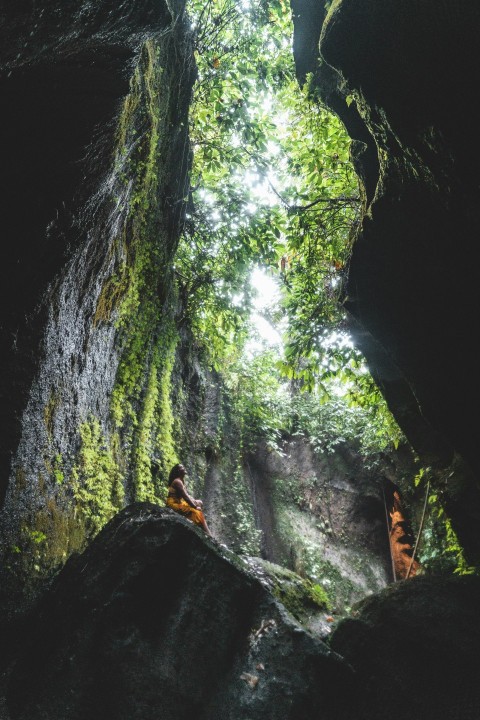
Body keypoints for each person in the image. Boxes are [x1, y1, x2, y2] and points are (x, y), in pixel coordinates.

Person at [165, 463, 213, 537]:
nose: (184, 468)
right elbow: (185, 497)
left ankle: (204, 531)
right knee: (197, 512)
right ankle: (208, 535)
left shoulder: (181, 481)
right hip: (173, 504)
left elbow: (187, 495)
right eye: (182, 467)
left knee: (199, 503)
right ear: (178, 471)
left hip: (179, 502)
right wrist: (194, 506)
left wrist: (195, 502)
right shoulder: (177, 482)